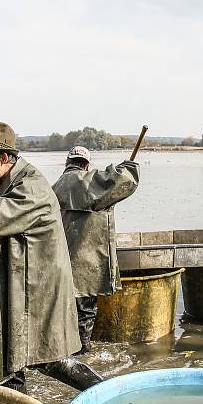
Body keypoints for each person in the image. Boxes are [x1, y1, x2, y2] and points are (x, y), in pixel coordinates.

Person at [0, 122, 103, 393]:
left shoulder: (32, 188)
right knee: (10, 362)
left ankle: (106, 396)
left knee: (49, 358)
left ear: (4, 159)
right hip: (20, 289)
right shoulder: (10, 181)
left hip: (37, 293)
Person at [51, 146, 139, 354]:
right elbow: (125, 180)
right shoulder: (91, 183)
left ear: (67, 163)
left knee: (64, 311)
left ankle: (65, 351)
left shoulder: (53, 187)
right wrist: (128, 167)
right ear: (87, 165)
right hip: (87, 264)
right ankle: (82, 353)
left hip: (58, 263)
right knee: (85, 310)